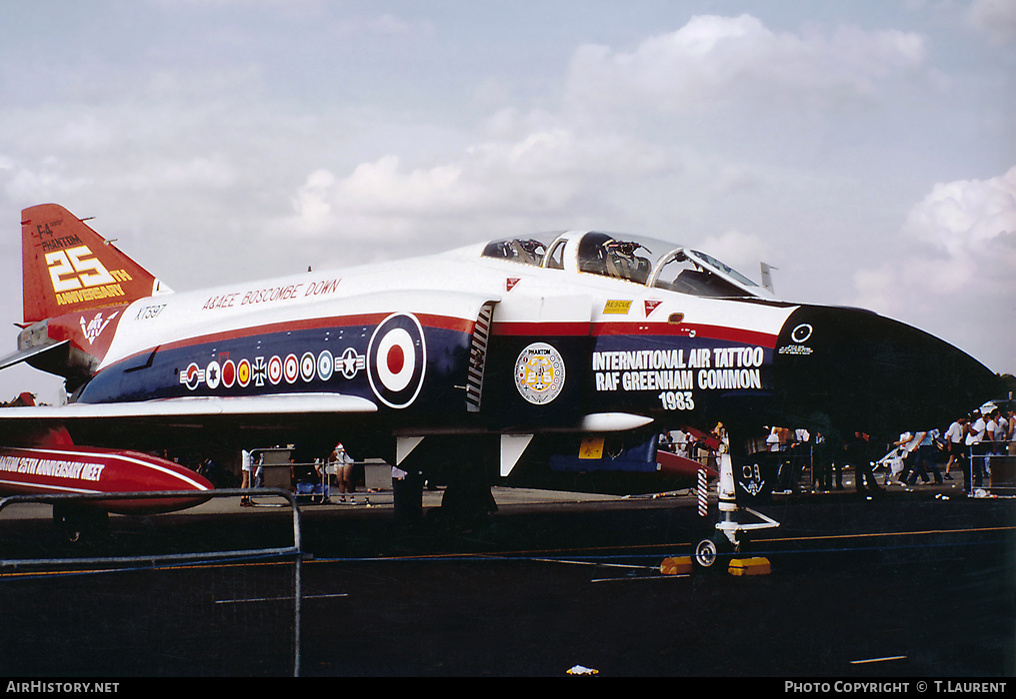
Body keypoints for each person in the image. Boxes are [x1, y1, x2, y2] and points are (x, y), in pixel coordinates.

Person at [844, 431, 882, 496]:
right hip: (860, 451)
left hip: (860, 450)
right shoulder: (859, 441)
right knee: (864, 470)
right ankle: (871, 487)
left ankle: (864, 487)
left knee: (861, 470)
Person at [943, 415, 967, 482]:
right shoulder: (954, 425)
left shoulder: (961, 426)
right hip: (954, 444)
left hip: (959, 444)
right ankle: (947, 473)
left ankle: (964, 470)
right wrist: (949, 445)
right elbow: (949, 435)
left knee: (961, 457)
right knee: (951, 459)